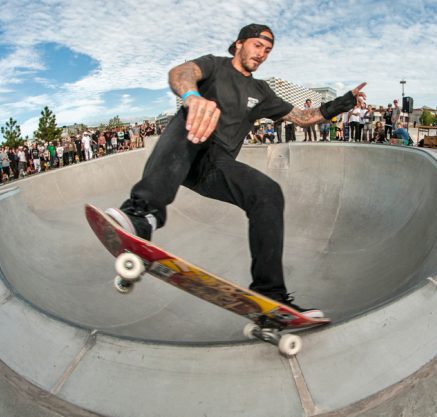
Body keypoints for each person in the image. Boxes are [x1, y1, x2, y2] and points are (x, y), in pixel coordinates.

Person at [104, 23, 366, 317]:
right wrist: (192, 97)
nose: (262, 54)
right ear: (239, 44)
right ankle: (142, 214)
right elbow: (180, 73)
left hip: (216, 168)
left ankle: (270, 296)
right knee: (195, 115)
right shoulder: (214, 66)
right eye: (258, 46)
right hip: (183, 149)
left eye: (268, 51)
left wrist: (345, 102)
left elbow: (303, 116)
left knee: (268, 193)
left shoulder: (261, 91)